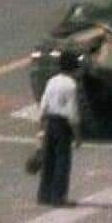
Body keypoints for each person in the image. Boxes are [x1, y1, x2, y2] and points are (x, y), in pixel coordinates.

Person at [37, 53, 82, 206]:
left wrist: (41, 129)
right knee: (62, 161)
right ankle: (58, 197)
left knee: (49, 159)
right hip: (63, 125)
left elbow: (43, 105)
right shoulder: (71, 85)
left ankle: (44, 194)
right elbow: (72, 113)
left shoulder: (52, 81)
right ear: (74, 68)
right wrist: (77, 135)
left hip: (50, 122)